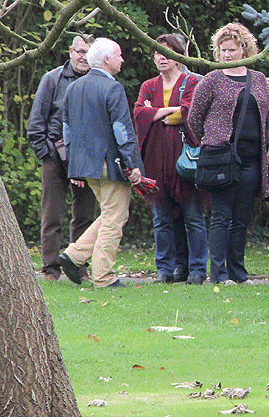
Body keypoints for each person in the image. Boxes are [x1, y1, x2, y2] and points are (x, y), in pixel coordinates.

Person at [186, 23, 269, 285]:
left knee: (241, 218)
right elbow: (193, 118)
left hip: (252, 158)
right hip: (220, 158)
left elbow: (265, 115)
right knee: (221, 216)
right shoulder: (211, 80)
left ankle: (238, 273)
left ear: (244, 48)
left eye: (232, 49)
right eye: (222, 50)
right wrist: (210, 141)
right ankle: (218, 274)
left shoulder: (258, 80)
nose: (226, 55)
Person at [57, 38, 143, 288]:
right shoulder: (112, 88)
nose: (122, 60)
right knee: (115, 218)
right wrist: (133, 164)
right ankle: (104, 276)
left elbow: (67, 130)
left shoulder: (74, 87)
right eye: (118, 55)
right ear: (107, 60)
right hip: (109, 162)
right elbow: (122, 131)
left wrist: (73, 163)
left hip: (84, 165)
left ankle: (74, 256)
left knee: (109, 213)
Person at [133, 34, 206, 285]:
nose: (161, 57)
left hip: (184, 161)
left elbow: (189, 112)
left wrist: (157, 113)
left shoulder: (192, 81)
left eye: (167, 52)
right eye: (157, 52)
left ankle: (197, 270)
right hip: (155, 162)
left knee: (193, 217)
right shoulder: (149, 85)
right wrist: (165, 112)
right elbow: (139, 114)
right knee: (162, 219)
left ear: (178, 56)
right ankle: (167, 269)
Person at [27, 34, 97, 281]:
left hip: (87, 158)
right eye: (80, 51)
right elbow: (36, 123)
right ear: (70, 51)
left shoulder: (96, 80)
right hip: (54, 156)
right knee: (52, 215)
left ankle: (78, 267)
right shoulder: (52, 79)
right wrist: (46, 154)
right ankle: (50, 269)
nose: (83, 56)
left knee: (86, 216)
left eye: (88, 52)